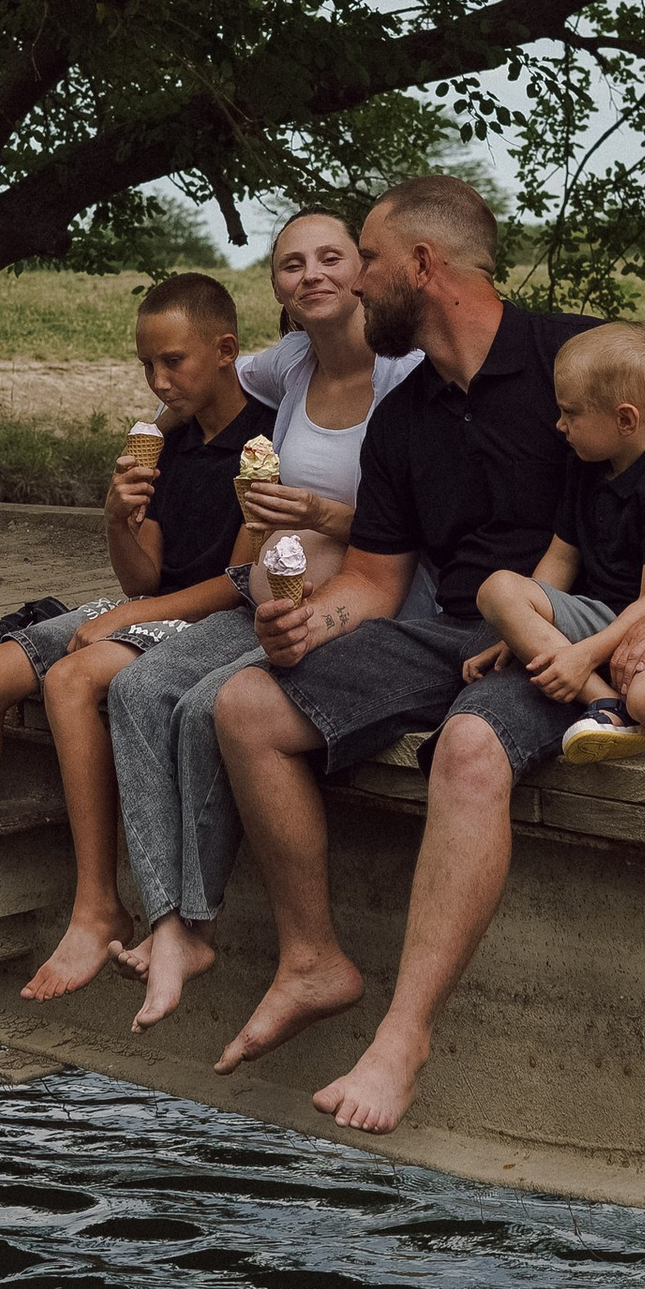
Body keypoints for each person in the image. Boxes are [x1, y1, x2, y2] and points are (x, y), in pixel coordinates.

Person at [209, 174, 645, 1135]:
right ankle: (312, 959)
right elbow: (377, 586)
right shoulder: (406, 415)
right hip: (452, 629)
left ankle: (402, 1041)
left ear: (422, 266)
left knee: (470, 749)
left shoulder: (581, 361)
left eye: (369, 260)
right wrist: (308, 624)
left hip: (576, 629)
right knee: (246, 705)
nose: (353, 281)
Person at [0, 274, 266, 1000]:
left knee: (72, 678)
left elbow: (244, 580)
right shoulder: (162, 440)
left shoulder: (265, 441)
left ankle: (97, 905)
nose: (158, 380)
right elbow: (140, 577)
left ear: (225, 351)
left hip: (214, 616)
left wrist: (123, 620)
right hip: (154, 603)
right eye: (146, 365)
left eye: (173, 363)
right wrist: (115, 518)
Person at [109, 205, 423, 1033]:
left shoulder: (405, 377)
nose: (312, 274)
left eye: (331, 257)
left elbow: (421, 533)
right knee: (138, 692)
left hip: (358, 603)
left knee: (212, 705)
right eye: (292, 264)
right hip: (266, 593)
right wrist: (154, 429)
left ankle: (200, 922)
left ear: (363, 269)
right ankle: (169, 921)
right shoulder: (286, 364)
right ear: (279, 289)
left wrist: (323, 513)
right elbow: (196, 378)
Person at [465, 318, 645, 767]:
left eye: (572, 413)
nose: (560, 425)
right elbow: (560, 558)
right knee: (498, 588)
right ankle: (610, 708)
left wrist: (580, 655)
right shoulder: (586, 465)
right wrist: (519, 634)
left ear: (625, 419)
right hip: (605, 617)